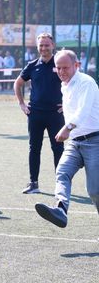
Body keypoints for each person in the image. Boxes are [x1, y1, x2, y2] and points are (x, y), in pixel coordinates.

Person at [35, 49, 99, 228]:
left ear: (76, 65)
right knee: (62, 172)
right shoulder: (65, 84)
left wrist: (67, 127)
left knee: (95, 191)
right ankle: (61, 210)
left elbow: (83, 112)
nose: (61, 72)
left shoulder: (87, 82)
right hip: (75, 142)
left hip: (95, 141)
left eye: (65, 68)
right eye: (58, 68)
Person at [14, 33, 64, 194]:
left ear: (53, 45)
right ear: (38, 47)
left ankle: (61, 184)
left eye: (46, 45)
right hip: (35, 114)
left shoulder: (61, 64)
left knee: (58, 148)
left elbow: (73, 83)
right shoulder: (32, 65)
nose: (44, 48)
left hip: (55, 115)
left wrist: (67, 105)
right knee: (34, 148)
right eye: (41, 45)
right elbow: (18, 83)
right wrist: (21, 104)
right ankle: (33, 183)